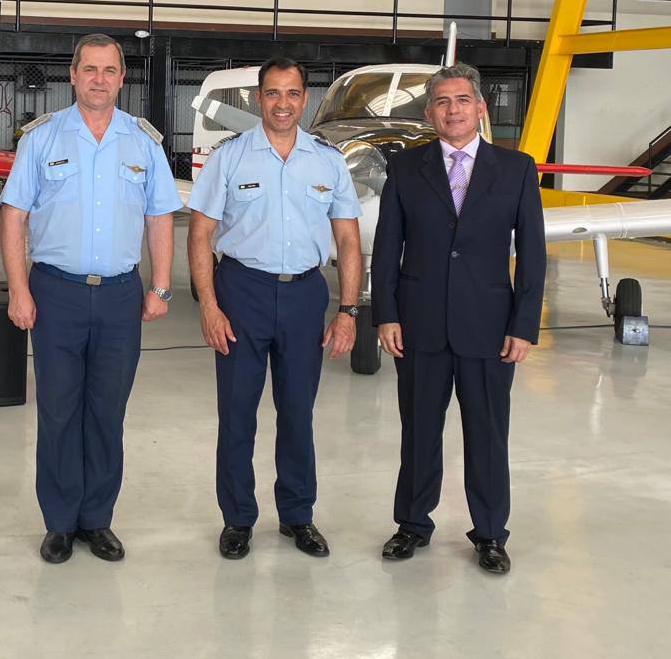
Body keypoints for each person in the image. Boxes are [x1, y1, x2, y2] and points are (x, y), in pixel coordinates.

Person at [0, 33, 181, 564]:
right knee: (58, 411)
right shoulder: (42, 139)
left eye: (110, 70)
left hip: (122, 297)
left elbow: (159, 217)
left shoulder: (143, 142)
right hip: (56, 293)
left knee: (107, 412)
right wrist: (17, 288)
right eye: (90, 69)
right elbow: (15, 216)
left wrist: (161, 285)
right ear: (72, 76)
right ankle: (59, 522)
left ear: (122, 78)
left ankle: (97, 519)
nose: (100, 79)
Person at [371, 63, 546, 575]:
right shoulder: (406, 168)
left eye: (462, 100)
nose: (453, 110)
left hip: (491, 329)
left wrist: (523, 324)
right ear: (430, 112)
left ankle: (490, 533)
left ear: (480, 108)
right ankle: (412, 524)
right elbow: (387, 250)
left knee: (488, 435)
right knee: (419, 431)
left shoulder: (516, 169)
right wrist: (386, 314)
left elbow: (532, 255)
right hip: (420, 324)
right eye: (443, 102)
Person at [187, 57, 362, 560]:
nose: (282, 104)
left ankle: (297, 516)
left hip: (306, 294)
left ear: (304, 99)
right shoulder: (230, 158)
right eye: (272, 93)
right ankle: (238, 518)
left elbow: (348, 240)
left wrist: (347, 310)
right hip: (242, 292)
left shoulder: (328, 161)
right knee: (237, 414)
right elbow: (200, 235)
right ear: (258, 99)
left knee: (298, 413)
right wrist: (210, 306)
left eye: (291, 94)